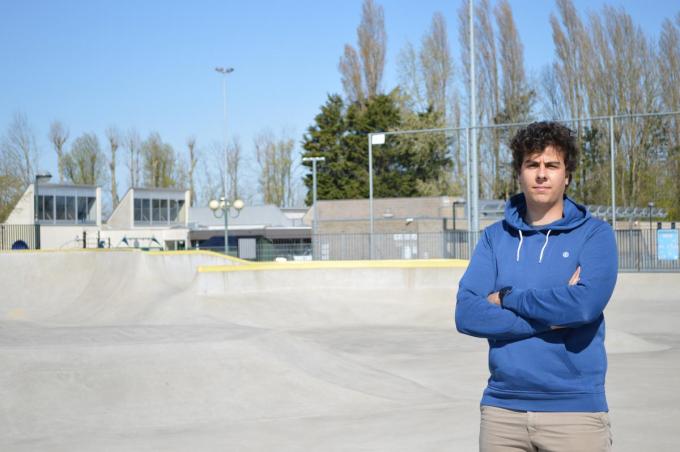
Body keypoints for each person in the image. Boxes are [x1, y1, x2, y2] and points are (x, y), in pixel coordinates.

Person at [455, 121, 618, 452]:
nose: (541, 174)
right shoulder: (493, 238)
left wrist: (507, 297)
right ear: (520, 173)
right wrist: (555, 317)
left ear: (567, 175)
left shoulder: (595, 235)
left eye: (552, 165)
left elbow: (584, 306)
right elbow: (467, 314)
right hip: (502, 411)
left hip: (574, 412)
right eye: (532, 165)